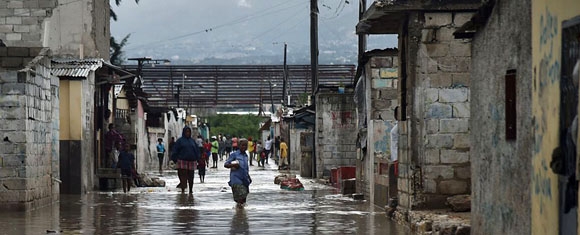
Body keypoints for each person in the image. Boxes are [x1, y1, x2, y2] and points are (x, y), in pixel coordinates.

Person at [171, 126, 201, 194]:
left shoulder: (192, 141)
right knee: (183, 176)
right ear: (184, 132)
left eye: (189, 132)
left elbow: (196, 150)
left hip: (192, 161)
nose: (187, 133)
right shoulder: (180, 141)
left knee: (191, 176)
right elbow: (175, 150)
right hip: (182, 161)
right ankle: (183, 190)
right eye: (186, 132)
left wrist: (198, 159)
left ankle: (190, 190)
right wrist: (174, 159)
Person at [224, 138, 252, 208]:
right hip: (236, 179)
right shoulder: (234, 155)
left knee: (244, 198)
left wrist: (249, 177)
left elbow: (246, 168)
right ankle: (239, 215)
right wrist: (233, 165)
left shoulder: (246, 156)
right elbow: (226, 164)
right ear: (239, 146)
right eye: (242, 145)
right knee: (241, 195)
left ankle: (240, 214)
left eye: (245, 145)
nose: (244, 147)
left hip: (244, 179)